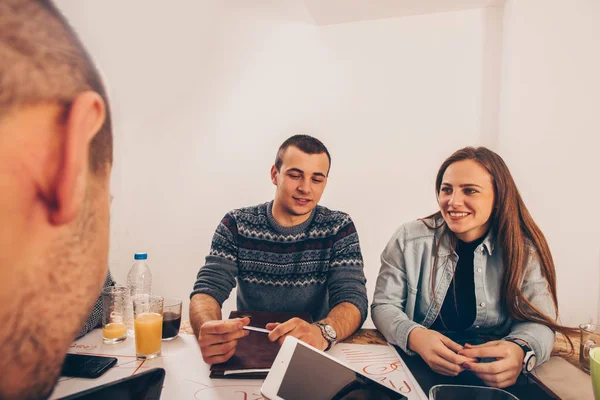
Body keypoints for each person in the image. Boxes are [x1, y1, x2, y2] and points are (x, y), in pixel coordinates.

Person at [371, 146, 575, 389]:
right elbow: (384, 305)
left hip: (494, 381)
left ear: (498, 197)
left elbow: (540, 323)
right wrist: (415, 337)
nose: (453, 201)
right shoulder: (408, 238)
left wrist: (520, 351)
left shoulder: (524, 250)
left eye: (470, 190)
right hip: (418, 368)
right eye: (447, 189)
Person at [0, 1, 114, 398]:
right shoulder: (236, 222)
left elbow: (103, 296)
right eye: (107, 203)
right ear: (66, 165)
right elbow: (104, 296)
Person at [190, 134, 368, 364]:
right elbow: (208, 288)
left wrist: (322, 332)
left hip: (312, 349)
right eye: (295, 175)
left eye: (317, 179)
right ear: (275, 175)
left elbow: (353, 298)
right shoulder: (236, 224)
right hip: (248, 348)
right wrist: (207, 328)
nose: (305, 188)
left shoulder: (339, 227)